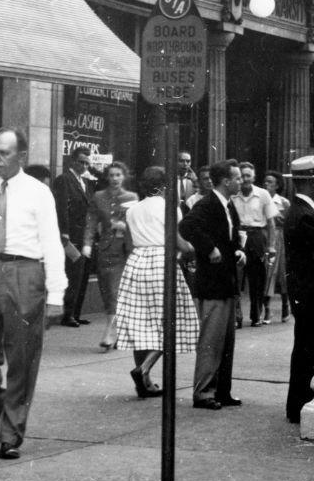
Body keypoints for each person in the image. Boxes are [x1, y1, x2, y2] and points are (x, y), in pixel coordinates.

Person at [0, 127, 65, 459]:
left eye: (4, 153)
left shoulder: (38, 192)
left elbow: (51, 241)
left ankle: (11, 433)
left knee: (22, 357)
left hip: (25, 273)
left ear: (20, 156)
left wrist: (56, 293)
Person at [116, 166, 200, 397]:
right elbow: (178, 242)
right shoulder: (169, 208)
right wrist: (195, 249)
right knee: (172, 320)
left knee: (139, 323)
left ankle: (144, 383)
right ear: (164, 185)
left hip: (136, 263)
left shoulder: (133, 210)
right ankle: (143, 368)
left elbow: (130, 242)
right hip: (161, 262)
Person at [180, 159, 246, 409]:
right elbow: (186, 226)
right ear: (226, 181)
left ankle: (222, 390)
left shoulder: (228, 205)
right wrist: (208, 249)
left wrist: (238, 251)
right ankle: (204, 392)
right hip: (213, 282)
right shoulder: (208, 204)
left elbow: (232, 235)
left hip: (226, 281)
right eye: (237, 178)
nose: (241, 181)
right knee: (211, 340)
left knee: (226, 341)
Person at [281, 155, 314, 423]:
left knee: (305, 347)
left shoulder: (301, 212)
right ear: (309, 184)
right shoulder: (304, 216)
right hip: (311, 292)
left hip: (304, 291)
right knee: (308, 349)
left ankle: (298, 403)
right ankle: (300, 403)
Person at [85, 161, 138, 351]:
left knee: (116, 291)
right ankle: (118, 329)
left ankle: (110, 331)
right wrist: (87, 243)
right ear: (107, 177)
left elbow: (137, 222)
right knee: (107, 290)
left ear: (124, 177)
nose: (115, 178)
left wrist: (126, 226)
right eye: (112, 175)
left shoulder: (132, 197)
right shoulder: (99, 197)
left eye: (118, 175)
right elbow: (91, 220)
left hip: (125, 251)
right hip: (106, 250)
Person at [51, 146, 94, 328]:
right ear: (73, 161)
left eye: (87, 163)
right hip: (72, 236)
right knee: (73, 276)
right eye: (81, 162)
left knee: (82, 276)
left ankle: (76, 312)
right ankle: (68, 314)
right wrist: (65, 234)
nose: (84, 166)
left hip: (84, 235)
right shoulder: (64, 179)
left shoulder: (85, 181)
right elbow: (61, 208)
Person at [232, 160, 276, 325]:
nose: (245, 179)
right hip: (238, 235)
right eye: (242, 176)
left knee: (257, 277)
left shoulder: (263, 194)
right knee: (236, 276)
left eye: (248, 176)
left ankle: (256, 314)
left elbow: (271, 223)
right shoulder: (232, 194)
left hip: (257, 236)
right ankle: (237, 315)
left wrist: (271, 246)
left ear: (254, 177)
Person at [261, 171, 290, 321]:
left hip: (281, 238)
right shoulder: (262, 200)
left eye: (270, 182)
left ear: (277, 185)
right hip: (267, 237)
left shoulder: (283, 202)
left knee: (282, 273)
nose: (266, 185)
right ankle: (266, 309)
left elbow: (287, 221)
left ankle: (285, 305)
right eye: (265, 182)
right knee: (268, 272)